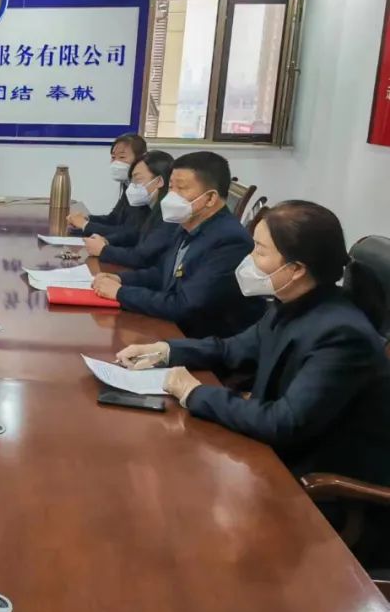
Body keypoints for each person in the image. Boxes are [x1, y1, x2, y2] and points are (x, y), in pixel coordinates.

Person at [115, 200, 390, 491]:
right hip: (273, 454)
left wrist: (193, 392)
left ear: (296, 269)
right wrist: (166, 350)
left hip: (315, 483)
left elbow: (285, 422)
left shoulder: (342, 335)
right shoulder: (291, 303)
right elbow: (231, 349)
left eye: (259, 250)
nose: (248, 259)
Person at [92, 151, 265, 338]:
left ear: (210, 198)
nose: (171, 196)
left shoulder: (229, 241)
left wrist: (121, 293)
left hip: (204, 341)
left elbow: (185, 306)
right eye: (171, 187)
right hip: (174, 327)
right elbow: (163, 273)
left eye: (181, 188)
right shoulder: (188, 223)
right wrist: (120, 279)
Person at [84, 150, 179, 270]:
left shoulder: (170, 216)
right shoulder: (148, 206)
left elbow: (142, 257)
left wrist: (103, 250)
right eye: (132, 181)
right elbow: (134, 233)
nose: (132, 186)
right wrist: (106, 240)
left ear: (159, 181)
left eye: (137, 180)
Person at [67, 132, 149, 239]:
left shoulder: (142, 191)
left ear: (140, 159)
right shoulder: (128, 185)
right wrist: (87, 219)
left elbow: (129, 232)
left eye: (122, 157)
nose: (116, 162)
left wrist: (85, 225)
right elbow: (113, 219)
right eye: (113, 157)